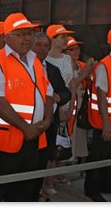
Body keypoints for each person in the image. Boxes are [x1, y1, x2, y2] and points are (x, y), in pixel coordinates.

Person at [0, 12, 53, 201]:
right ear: (7, 36)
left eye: (30, 33)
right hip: (1, 144)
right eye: (20, 34)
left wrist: (48, 120)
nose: (27, 38)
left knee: (24, 194)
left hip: (32, 141)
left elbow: (48, 92)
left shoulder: (36, 62)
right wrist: (26, 128)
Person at [84, 27, 111, 202]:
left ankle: (108, 184)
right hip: (107, 124)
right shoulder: (104, 66)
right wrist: (106, 124)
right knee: (99, 157)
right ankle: (92, 188)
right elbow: (101, 96)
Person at [31, 32, 72, 202]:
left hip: (49, 125)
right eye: (38, 45)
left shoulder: (52, 70)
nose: (41, 49)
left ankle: (39, 191)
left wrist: (58, 97)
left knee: (45, 159)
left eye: (45, 46)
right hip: (29, 125)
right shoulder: (24, 66)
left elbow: (66, 92)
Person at [44, 24, 77, 196]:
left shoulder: (67, 59)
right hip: (52, 110)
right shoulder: (45, 60)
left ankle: (55, 177)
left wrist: (70, 109)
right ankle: (46, 183)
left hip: (66, 108)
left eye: (66, 36)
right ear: (53, 39)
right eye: (62, 36)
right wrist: (59, 111)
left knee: (62, 146)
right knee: (50, 146)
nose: (66, 40)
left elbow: (71, 86)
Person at [65, 36, 94, 165]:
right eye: (72, 49)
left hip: (80, 110)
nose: (76, 51)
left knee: (79, 138)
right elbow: (69, 87)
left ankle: (73, 163)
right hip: (69, 109)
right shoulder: (64, 67)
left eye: (77, 48)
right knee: (66, 138)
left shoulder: (81, 65)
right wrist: (83, 74)